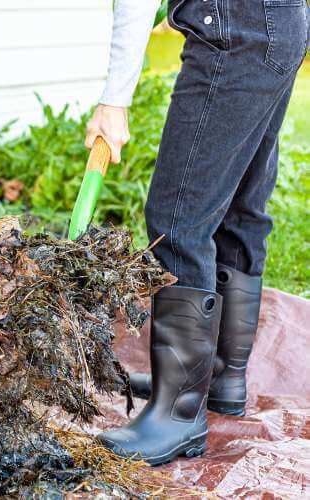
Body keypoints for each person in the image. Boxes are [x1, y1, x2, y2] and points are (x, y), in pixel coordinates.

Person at [85, 0, 308, 466]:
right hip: (281, 22)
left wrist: (114, 100)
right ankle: (221, 378)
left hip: (234, 30)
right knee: (239, 209)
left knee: (178, 219)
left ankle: (178, 414)